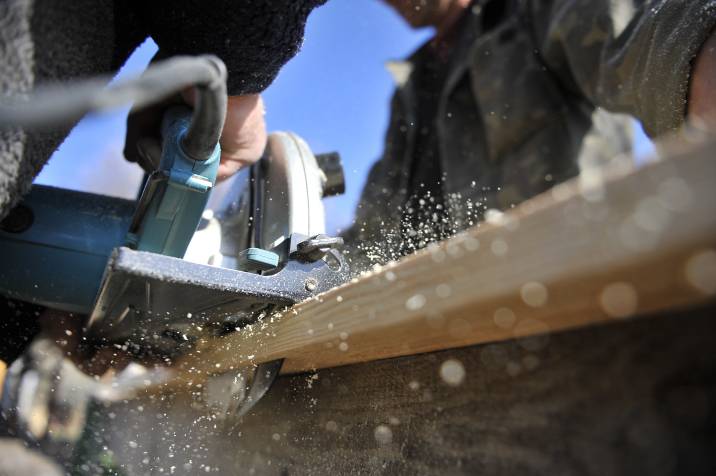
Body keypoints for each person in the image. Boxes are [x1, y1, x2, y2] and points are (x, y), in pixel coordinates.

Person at [343, 0, 716, 268]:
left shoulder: (530, 11)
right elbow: (374, 229)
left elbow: (658, 42)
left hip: (573, 284)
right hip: (430, 327)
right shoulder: (410, 87)